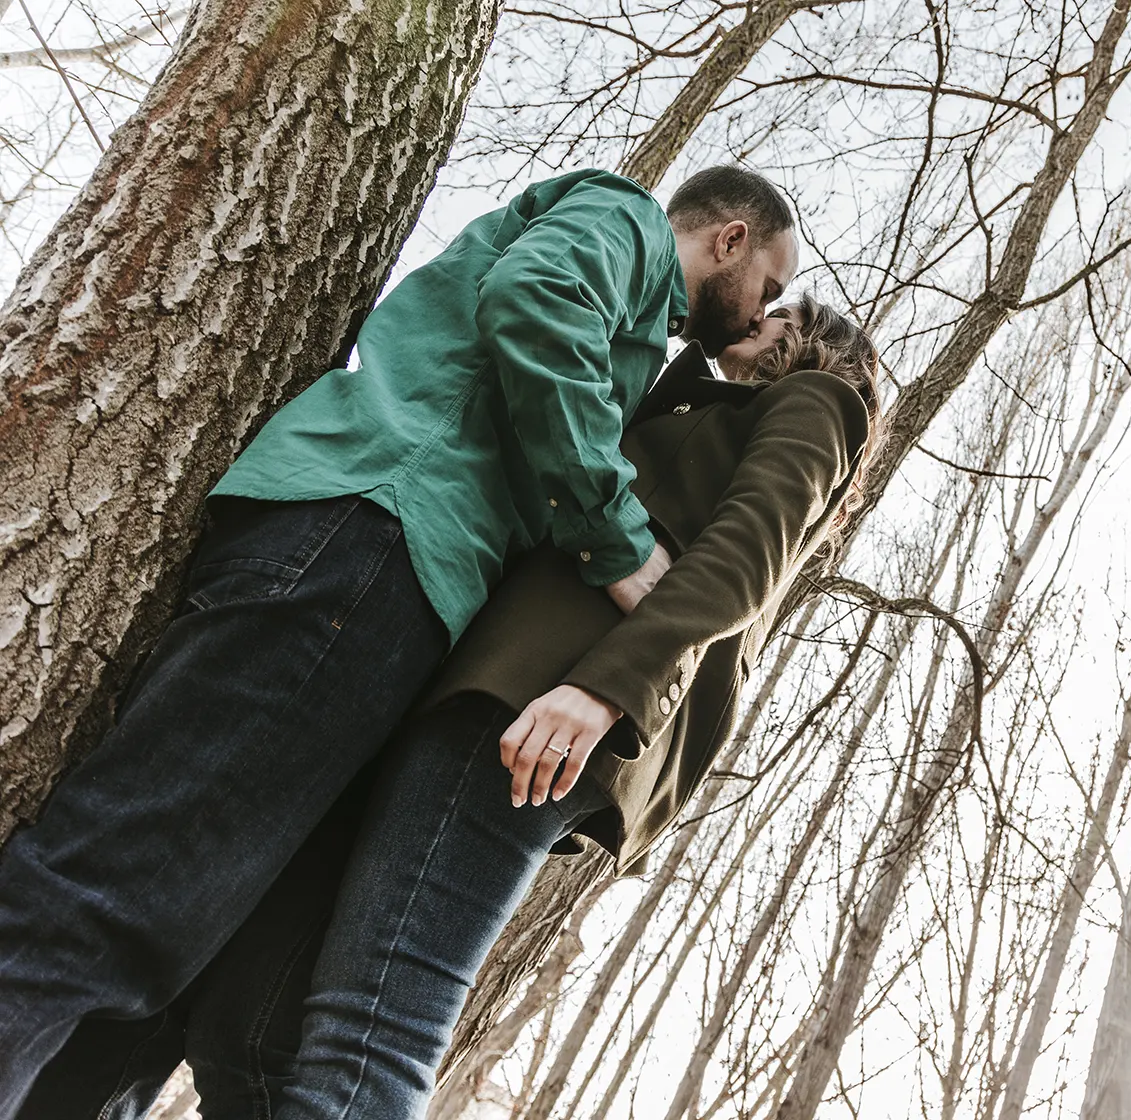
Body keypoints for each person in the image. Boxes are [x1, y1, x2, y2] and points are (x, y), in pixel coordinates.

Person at [0, 164, 798, 1117]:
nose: (761, 314)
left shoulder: (645, 339)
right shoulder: (624, 221)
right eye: (770, 288)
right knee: (117, 902)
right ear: (732, 240)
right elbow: (536, 301)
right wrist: (615, 538)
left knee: (166, 971)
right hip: (377, 535)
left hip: (386, 571)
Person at [272, 293, 877, 1120]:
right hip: (506, 692)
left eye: (775, 313)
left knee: (374, 1027)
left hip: (542, 701)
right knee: (260, 1026)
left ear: (807, 342)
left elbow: (746, 555)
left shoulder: (819, 402)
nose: (755, 319)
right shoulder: (707, 401)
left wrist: (605, 689)